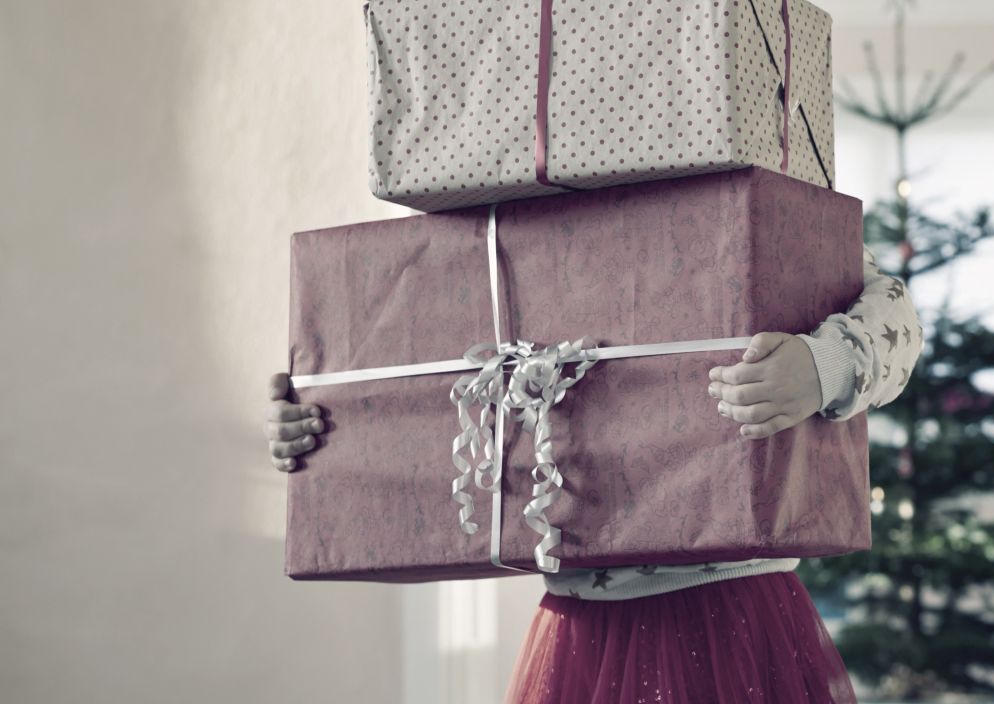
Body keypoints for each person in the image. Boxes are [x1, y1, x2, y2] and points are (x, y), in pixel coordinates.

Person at [264, 249, 921, 703]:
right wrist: (330, 426)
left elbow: (896, 312)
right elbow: (421, 361)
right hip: (583, 630)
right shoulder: (511, 229)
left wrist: (825, 364)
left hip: (737, 618)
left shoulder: (748, 182)